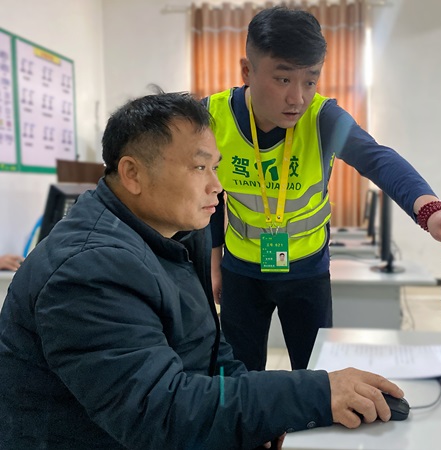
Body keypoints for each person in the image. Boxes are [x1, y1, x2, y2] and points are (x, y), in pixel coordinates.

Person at [0, 91, 406, 450]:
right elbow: (161, 415)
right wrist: (312, 394)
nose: (217, 186)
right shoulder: (89, 270)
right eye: (199, 168)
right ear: (132, 174)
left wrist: (262, 420)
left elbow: (211, 354)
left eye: (217, 167)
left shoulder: (175, 235)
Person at [207, 6, 441, 371]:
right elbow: (210, 196)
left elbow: (377, 159)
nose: (297, 98)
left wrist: (430, 210)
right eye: (283, 79)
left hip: (307, 269)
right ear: (247, 71)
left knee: (315, 373)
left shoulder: (323, 118)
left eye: (310, 81)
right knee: (240, 375)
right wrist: (214, 262)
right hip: (241, 269)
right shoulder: (211, 118)